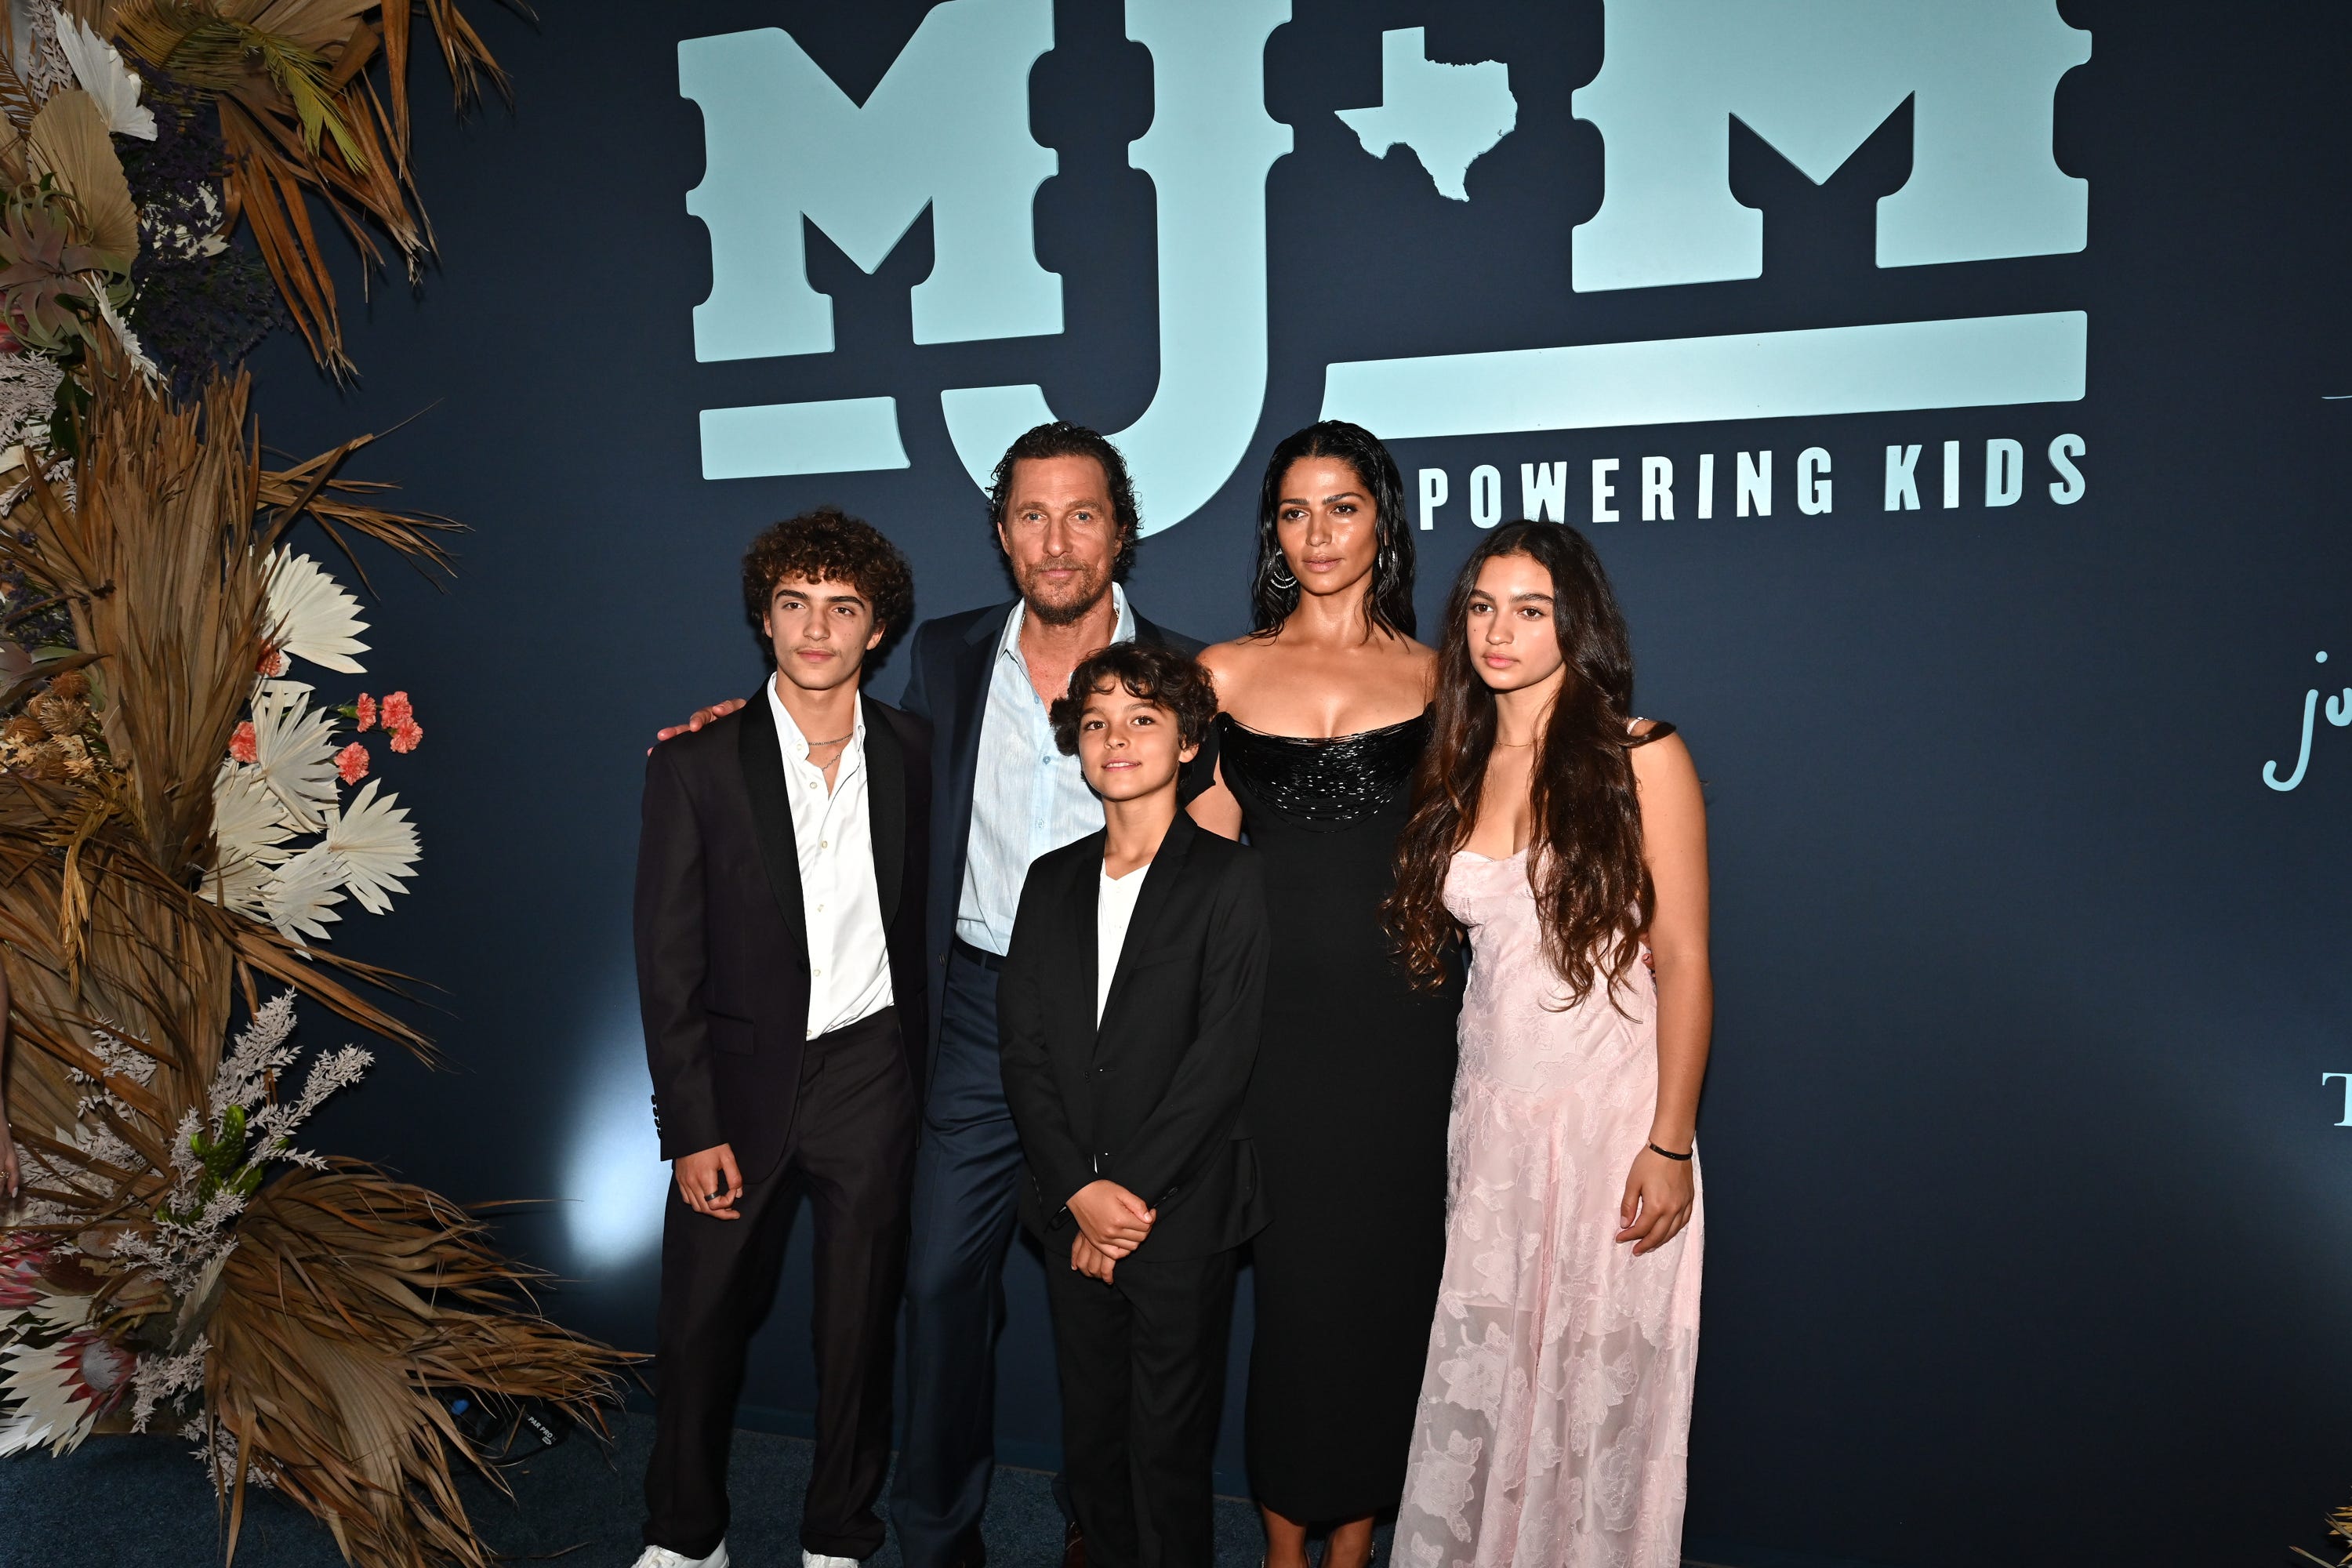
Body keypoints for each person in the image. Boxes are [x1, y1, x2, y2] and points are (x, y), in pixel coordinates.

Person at [656, 423, 1212, 1568]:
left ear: (1123, 529)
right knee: (935, 1287)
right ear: (1002, 533)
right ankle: (929, 1535)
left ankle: (1106, 1532)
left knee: (1112, 1298)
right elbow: (831, 725)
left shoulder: (1190, 677)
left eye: (1082, 515)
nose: (1056, 543)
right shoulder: (950, 660)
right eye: (1030, 516)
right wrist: (728, 730)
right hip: (973, 1013)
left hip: (1127, 1027)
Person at [1385, 521, 1708, 1568]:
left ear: (1576, 623)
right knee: (1491, 1383)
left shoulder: (1639, 754)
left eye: (1530, 610)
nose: (1499, 631)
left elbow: (1688, 961)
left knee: (1592, 1392)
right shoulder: (1459, 755)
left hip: (1612, 1125)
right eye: (1482, 606)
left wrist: (1669, 1143)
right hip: (1493, 1126)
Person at [632, 510, 931, 1568]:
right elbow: (666, 964)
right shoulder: (696, 765)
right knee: (699, 1324)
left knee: (856, 1327)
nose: (818, 629)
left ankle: (839, 1534)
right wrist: (689, 1125)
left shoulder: (916, 755)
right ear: (766, 620)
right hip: (739, 1084)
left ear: (878, 632)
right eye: (796, 604)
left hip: (873, 1073)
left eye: (843, 608)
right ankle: (684, 1535)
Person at [1187, 421, 1459, 1568]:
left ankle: (1354, 1548)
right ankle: (1283, 1550)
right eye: (1294, 513)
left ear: (1382, 519)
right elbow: (1188, 882)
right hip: (1272, 1032)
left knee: (1389, 1289)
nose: (1317, 535)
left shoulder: (1446, 678)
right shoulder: (1221, 673)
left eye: (1341, 508)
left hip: (1407, 1025)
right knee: (1294, 1300)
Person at [998, 644, 1269, 1568]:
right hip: (1069, 1204)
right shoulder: (1050, 879)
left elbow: (1221, 1058)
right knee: (1093, 1435)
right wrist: (1079, 1188)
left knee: (1167, 1440)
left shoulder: (1229, 879)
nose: (1117, 737)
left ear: (1192, 740)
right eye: (1098, 720)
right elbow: (1024, 1052)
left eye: (1144, 718)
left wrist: (1127, 1198)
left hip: (1179, 1212)